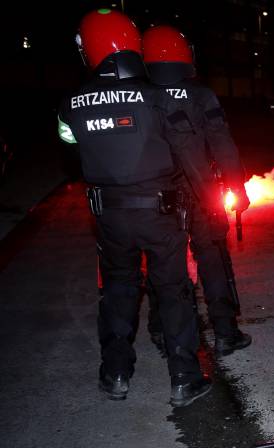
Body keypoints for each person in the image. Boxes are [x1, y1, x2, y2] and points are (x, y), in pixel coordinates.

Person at [57, 9, 212, 406]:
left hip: (109, 217)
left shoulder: (71, 105)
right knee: (173, 291)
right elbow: (189, 154)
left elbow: (71, 150)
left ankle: (115, 375)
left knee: (117, 290)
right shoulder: (158, 98)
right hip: (160, 214)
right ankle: (184, 378)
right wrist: (209, 200)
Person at [141, 24, 252, 356]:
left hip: (158, 196)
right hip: (201, 192)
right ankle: (225, 333)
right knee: (212, 259)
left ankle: (163, 330)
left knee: (163, 264)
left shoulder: (140, 96)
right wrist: (237, 186)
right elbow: (222, 143)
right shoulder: (201, 95)